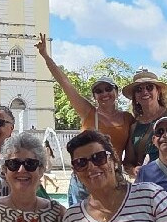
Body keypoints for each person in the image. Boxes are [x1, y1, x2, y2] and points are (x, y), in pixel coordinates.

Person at [36, 33, 134, 203]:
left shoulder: (128, 118)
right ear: (94, 96)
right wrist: (46, 56)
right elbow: (65, 83)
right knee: (80, 217)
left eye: (108, 89)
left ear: (116, 92)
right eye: (99, 91)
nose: (104, 93)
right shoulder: (88, 113)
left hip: (112, 177)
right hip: (83, 176)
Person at [123, 70, 167, 173]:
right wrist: (134, 170)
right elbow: (128, 163)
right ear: (135, 97)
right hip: (148, 180)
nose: (144, 92)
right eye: (139, 89)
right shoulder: (134, 126)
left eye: (149, 87)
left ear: (158, 92)